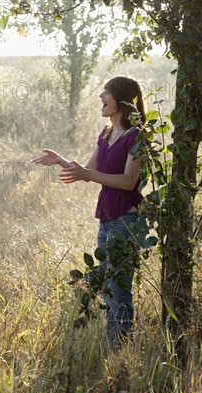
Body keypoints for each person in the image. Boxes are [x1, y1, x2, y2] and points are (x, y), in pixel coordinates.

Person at [32, 76, 147, 349]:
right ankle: (115, 348)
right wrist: (60, 159)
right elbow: (87, 171)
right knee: (109, 288)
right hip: (106, 220)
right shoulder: (106, 134)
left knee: (119, 291)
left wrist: (87, 174)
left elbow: (128, 181)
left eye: (106, 93)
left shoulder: (137, 135)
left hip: (126, 220)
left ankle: (120, 350)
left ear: (121, 99)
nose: (101, 97)